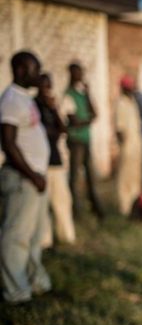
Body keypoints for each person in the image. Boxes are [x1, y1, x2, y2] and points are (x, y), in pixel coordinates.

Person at [0, 51, 52, 304]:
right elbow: (8, 143)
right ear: (20, 70)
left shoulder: (26, 99)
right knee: (16, 236)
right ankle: (15, 292)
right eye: (34, 69)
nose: (38, 74)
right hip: (23, 179)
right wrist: (32, 174)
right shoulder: (10, 100)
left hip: (35, 178)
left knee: (33, 236)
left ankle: (34, 282)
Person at [35, 73, 76, 245]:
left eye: (49, 86)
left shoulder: (52, 106)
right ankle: (45, 240)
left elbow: (62, 129)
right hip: (39, 163)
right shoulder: (33, 105)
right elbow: (42, 132)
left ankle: (66, 236)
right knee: (42, 206)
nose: (47, 89)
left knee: (62, 200)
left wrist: (53, 109)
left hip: (55, 160)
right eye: (44, 86)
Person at [62, 62, 104, 219]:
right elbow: (74, 121)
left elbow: (94, 113)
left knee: (91, 176)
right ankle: (75, 211)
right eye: (77, 72)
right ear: (72, 74)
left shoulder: (82, 94)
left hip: (86, 139)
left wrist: (88, 94)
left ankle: (95, 207)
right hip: (75, 141)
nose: (80, 75)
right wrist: (88, 119)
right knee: (74, 177)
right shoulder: (68, 95)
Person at [115, 75, 142, 216]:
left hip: (137, 146)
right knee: (125, 179)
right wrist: (124, 146)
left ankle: (135, 207)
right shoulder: (121, 103)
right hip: (127, 147)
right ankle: (125, 208)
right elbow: (119, 129)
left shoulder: (132, 101)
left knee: (135, 177)